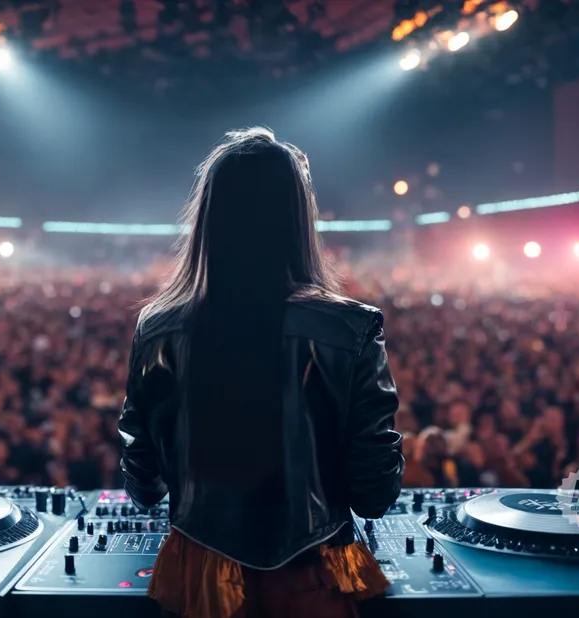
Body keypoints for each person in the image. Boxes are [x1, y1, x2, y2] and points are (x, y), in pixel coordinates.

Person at [118, 128, 404, 618]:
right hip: (312, 578)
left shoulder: (158, 328)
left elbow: (143, 482)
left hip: (197, 580)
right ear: (297, 218)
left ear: (209, 218)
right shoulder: (352, 327)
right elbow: (374, 492)